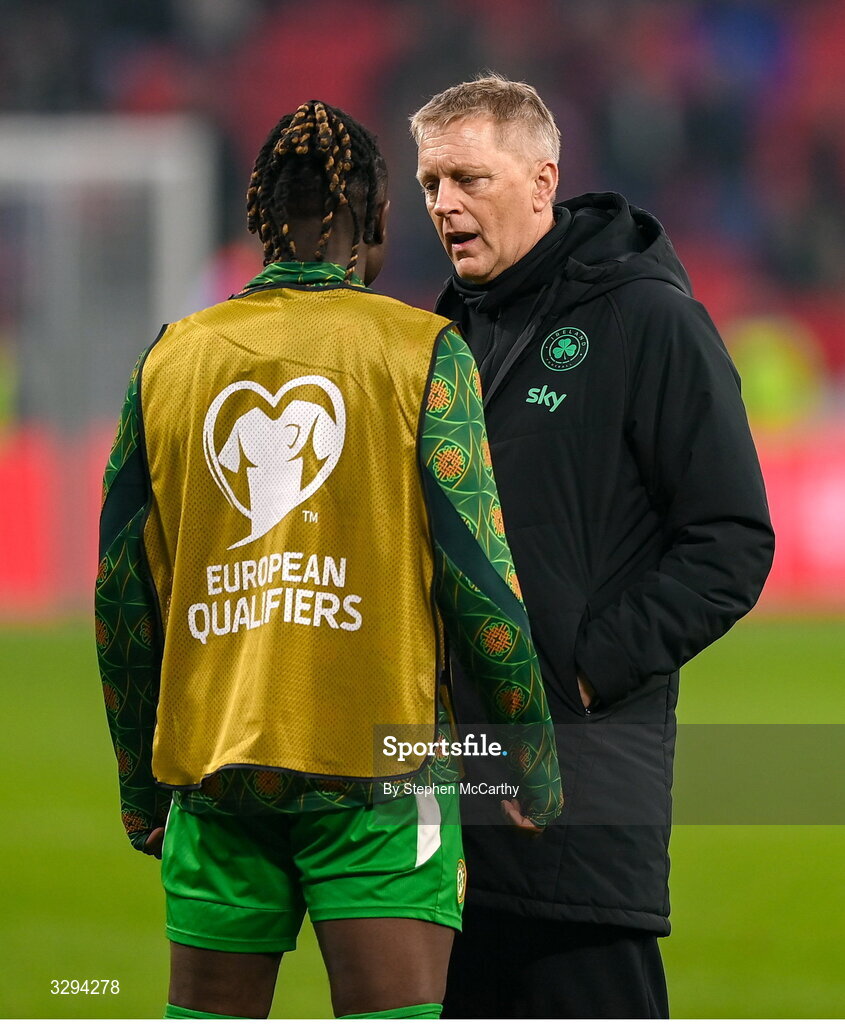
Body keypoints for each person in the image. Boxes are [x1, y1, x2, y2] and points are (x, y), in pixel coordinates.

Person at [95, 100, 562, 1021]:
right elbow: (479, 581)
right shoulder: (424, 353)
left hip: (217, 774)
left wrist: (141, 788)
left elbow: (120, 596)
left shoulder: (169, 362)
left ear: (258, 220)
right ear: (378, 220)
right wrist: (530, 759)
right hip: (379, 778)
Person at [411, 75, 775, 1019]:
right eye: (428, 183)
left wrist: (579, 671)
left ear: (542, 181)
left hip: (582, 800)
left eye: (467, 178)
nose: (444, 204)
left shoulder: (646, 321)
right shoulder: (439, 339)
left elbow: (729, 539)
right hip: (450, 801)